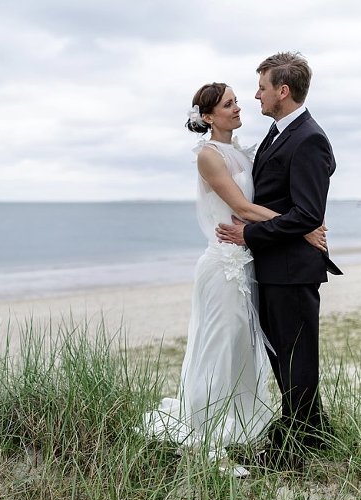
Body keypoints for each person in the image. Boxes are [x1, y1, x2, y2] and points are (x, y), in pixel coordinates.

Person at [140, 82, 327, 476]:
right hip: (224, 265)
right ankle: (207, 438)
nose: (239, 106)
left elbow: (273, 197)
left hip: (248, 262)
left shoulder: (244, 151)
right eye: (229, 104)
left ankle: (236, 426)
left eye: (238, 99)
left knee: (242, 349)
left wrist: (300, 220)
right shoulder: (208, 156)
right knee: (220, 348)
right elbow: (241, 206)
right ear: (208, 117)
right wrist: (304, 228)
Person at [216, 52, 341, 469]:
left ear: (282, 91)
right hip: (276, 267)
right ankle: (315, 432)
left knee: (296, 360)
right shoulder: (279, 133)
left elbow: (307, 214)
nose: (256, 95)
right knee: (286, 359)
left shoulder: (308, 137)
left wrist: (248, 233)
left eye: (263, 88)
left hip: (291, 270)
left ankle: (295, 451)